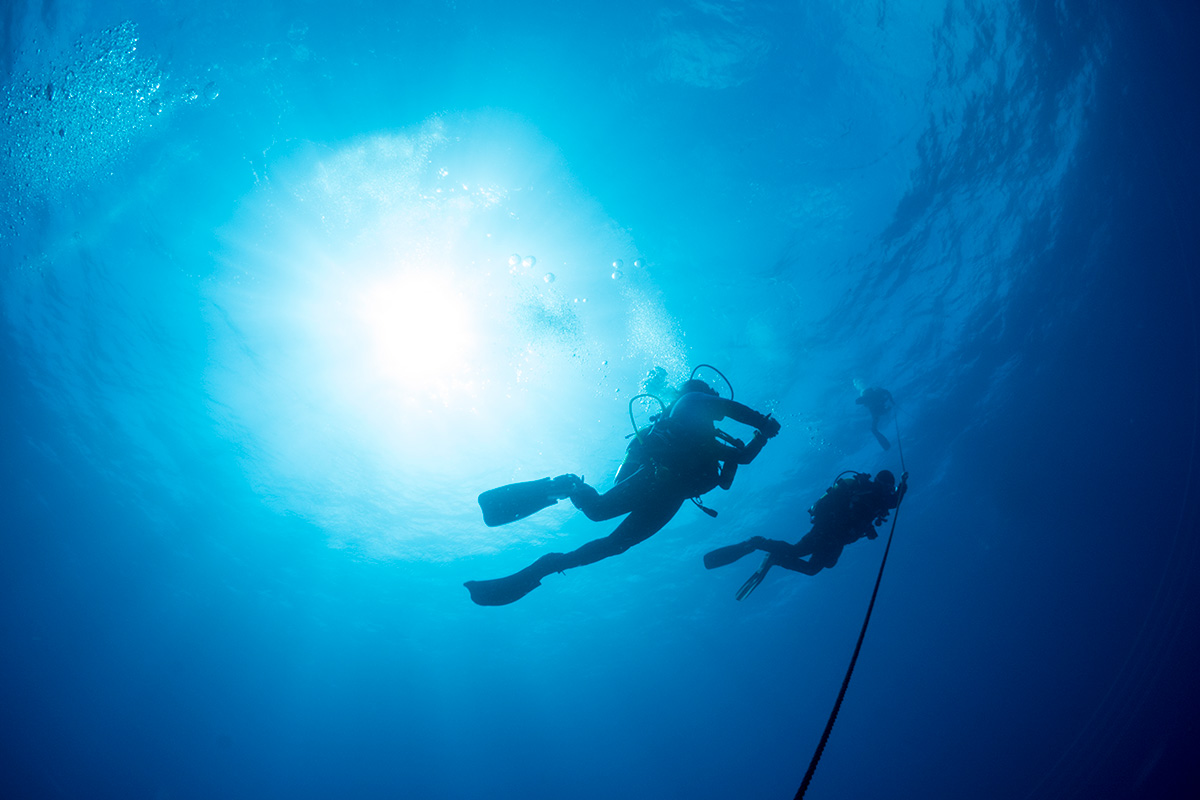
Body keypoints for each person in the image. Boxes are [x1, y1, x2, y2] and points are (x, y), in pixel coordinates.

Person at [465, 379, 781, 605]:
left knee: (617, 545)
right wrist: (762, 422)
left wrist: (758, 438)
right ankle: (566, 484)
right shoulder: (689, 402)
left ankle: (549, 565)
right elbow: (725, 405)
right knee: (597, 511)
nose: (713, 394)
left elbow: (735, 468)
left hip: (671, 497)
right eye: (709, 390)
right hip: (656, 479)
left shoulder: (709, 439)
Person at [704, 470, 907, 600]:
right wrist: (900, 488)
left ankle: (775, 559)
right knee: (797, 551)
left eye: (890, 488)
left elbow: (893, 502)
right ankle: (757, 543)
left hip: (837, 539)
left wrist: (903, 486)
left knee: (814, 569)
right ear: (879, 482)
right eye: (886, 486)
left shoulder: (879, 499)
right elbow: (883, 503)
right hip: (826, 530)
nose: (887, 491)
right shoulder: (866, 490)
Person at [856, 386, 895, 450]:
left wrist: (891, 401)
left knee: (876, 420)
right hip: (877, 408)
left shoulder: (875, 394)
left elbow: (857, 401)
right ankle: (874, 430)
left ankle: (874, 430)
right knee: (877, 418)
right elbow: (887, 392)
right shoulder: (877, 393)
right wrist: (892, 401)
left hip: (876, 408)